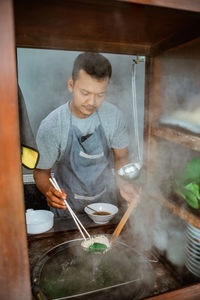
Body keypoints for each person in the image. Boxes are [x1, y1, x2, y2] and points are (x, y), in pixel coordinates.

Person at [34, 52, 138, 217]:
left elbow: (122, 157)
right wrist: (49, 191)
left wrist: (125, 184)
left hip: (105, 207)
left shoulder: (114, 116)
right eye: (85, 93)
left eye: (100, 95)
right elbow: (41, 172)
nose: (91, 102)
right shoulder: (52, 125)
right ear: (71, 84)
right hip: (68, 210)